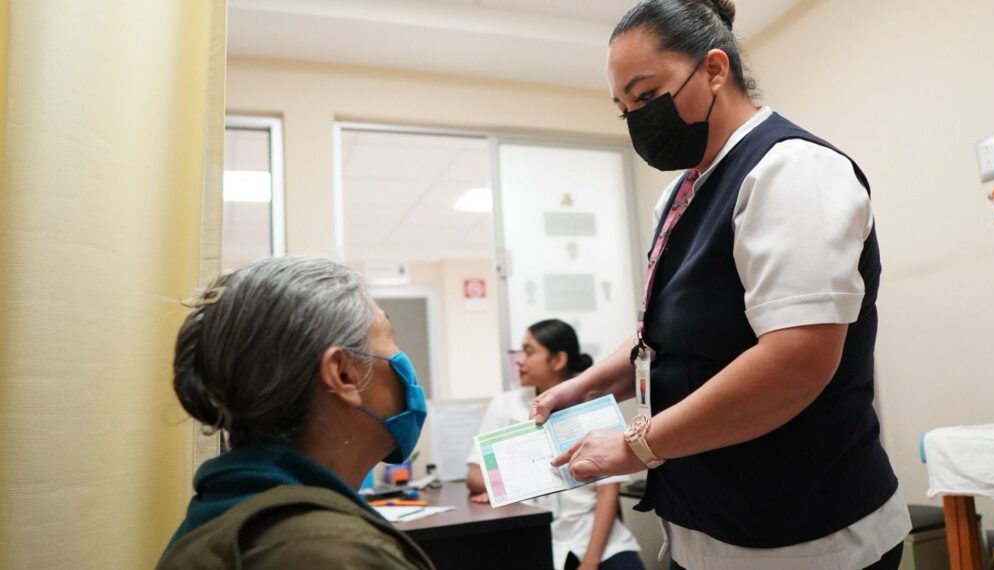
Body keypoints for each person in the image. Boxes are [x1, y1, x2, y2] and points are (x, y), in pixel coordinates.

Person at [529, 1, 911, 569]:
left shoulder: (790, 171)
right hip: (708, 524)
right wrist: (585, 386)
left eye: (647, 95)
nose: (638, 118)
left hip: (804, 535)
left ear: (714, 70)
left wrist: (637, 446)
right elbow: (663, 337)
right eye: (624, 108)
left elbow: (797, 360)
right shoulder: (683, 193)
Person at [158, 256, 434, 569]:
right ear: (343, 375)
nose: (401, 357)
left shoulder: (225, 511)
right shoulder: (330, 553)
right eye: (389, 335)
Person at [466, 319, 643, 570]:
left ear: (558, 360)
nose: (518, 360)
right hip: (534, 536)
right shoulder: (504, 406)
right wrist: (502, 485)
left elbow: (607, 492)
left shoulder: (591, 405)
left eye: (528, 351)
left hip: (592, 537)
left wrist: (590, 562)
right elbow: (474, 476)